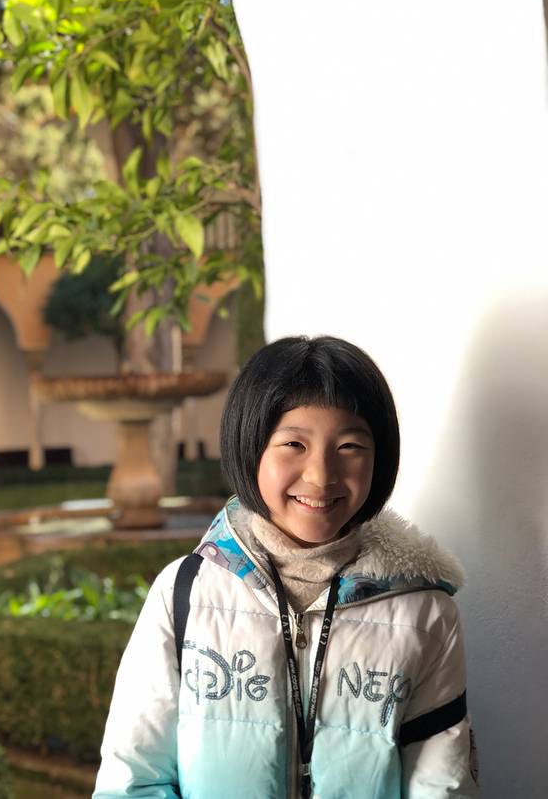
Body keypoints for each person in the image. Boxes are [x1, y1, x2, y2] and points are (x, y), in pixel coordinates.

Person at [93, 336, 479, 798]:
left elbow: (442, 785)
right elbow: (133, 780)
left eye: (350, 445)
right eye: (294, 443)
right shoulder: (186, 592)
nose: (321, 475)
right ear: (250, 446)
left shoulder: (424, 613)